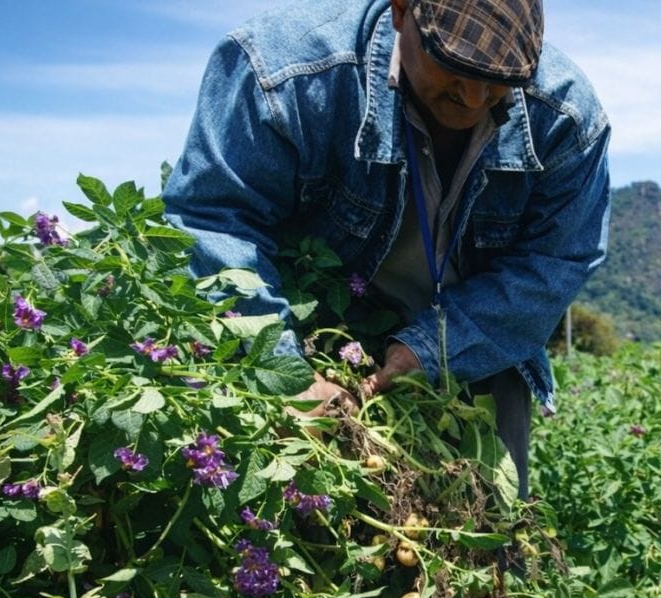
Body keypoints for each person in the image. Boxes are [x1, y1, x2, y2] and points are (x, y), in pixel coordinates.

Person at [162, 0, 610, 500]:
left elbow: (556, 261)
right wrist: (285, 371)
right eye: (457, 66)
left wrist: (436, 347)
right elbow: (214, 219)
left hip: (483, 341)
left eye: (501, 79)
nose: (476, 96)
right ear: (401, 12)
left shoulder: (566, 117)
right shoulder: (284, 70)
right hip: (318, 329)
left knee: (488, 526)